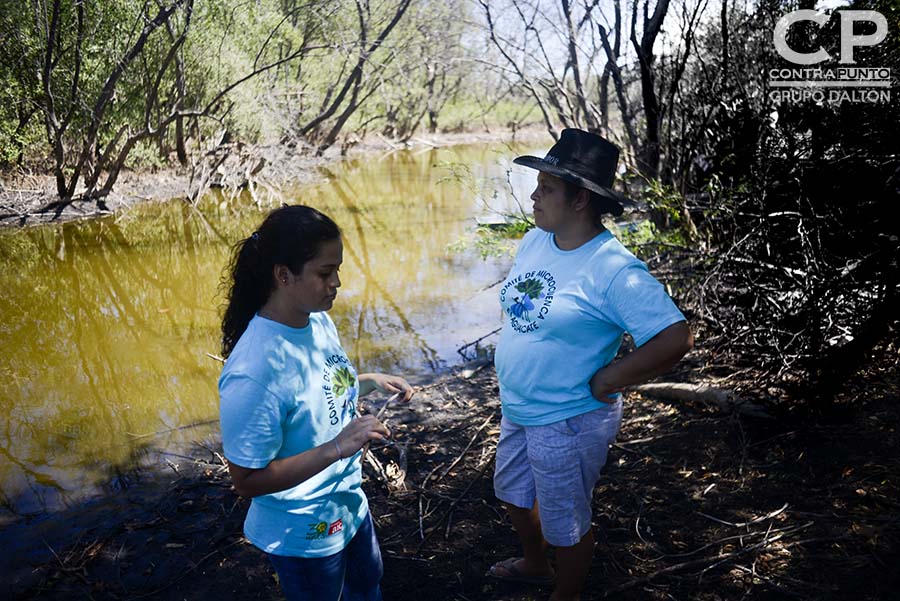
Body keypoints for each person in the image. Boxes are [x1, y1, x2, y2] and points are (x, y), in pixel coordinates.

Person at [488, 129, 693, 601]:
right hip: (521, 407)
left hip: (568, 418)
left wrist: (612, 376)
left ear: (580, 199)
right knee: (513, 494)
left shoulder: (612, 269)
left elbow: (675, 336)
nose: (534, 195)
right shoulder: (537, 241)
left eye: (547, 188)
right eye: (537, 185)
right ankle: (536, 565)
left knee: (565, 521)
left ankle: (567, 592)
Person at [217, 205, 414, 601]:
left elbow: (314, 396)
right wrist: (338, 447)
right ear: (283, 275)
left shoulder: (315, 318)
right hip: (303, 529)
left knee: (367, 585)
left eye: (337, 269)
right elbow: (247, 481)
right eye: (325, 273)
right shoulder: (255, 370)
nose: (337, 282)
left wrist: (369, 383)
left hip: (348, 503)